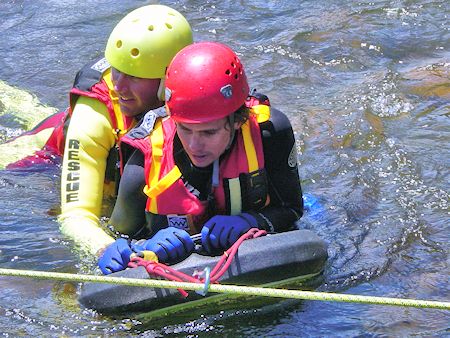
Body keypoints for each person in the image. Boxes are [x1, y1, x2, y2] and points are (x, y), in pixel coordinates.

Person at [98, 42, 304, 275]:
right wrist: (139, 246)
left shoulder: (270, 134)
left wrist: (251, 221)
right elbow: (119, 235)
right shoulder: (142, 161)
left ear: (237, 121)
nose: (195, 145)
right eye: (185, 129)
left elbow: (292, 209)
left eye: (209, 132)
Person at [56, 5, 193, 256]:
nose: (118, 86)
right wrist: (108, 248)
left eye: (135, 77)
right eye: (117, 70)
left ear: (168, 79)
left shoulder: (193, 89)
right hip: (45, 157)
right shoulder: (93, 115)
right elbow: (75, 217)